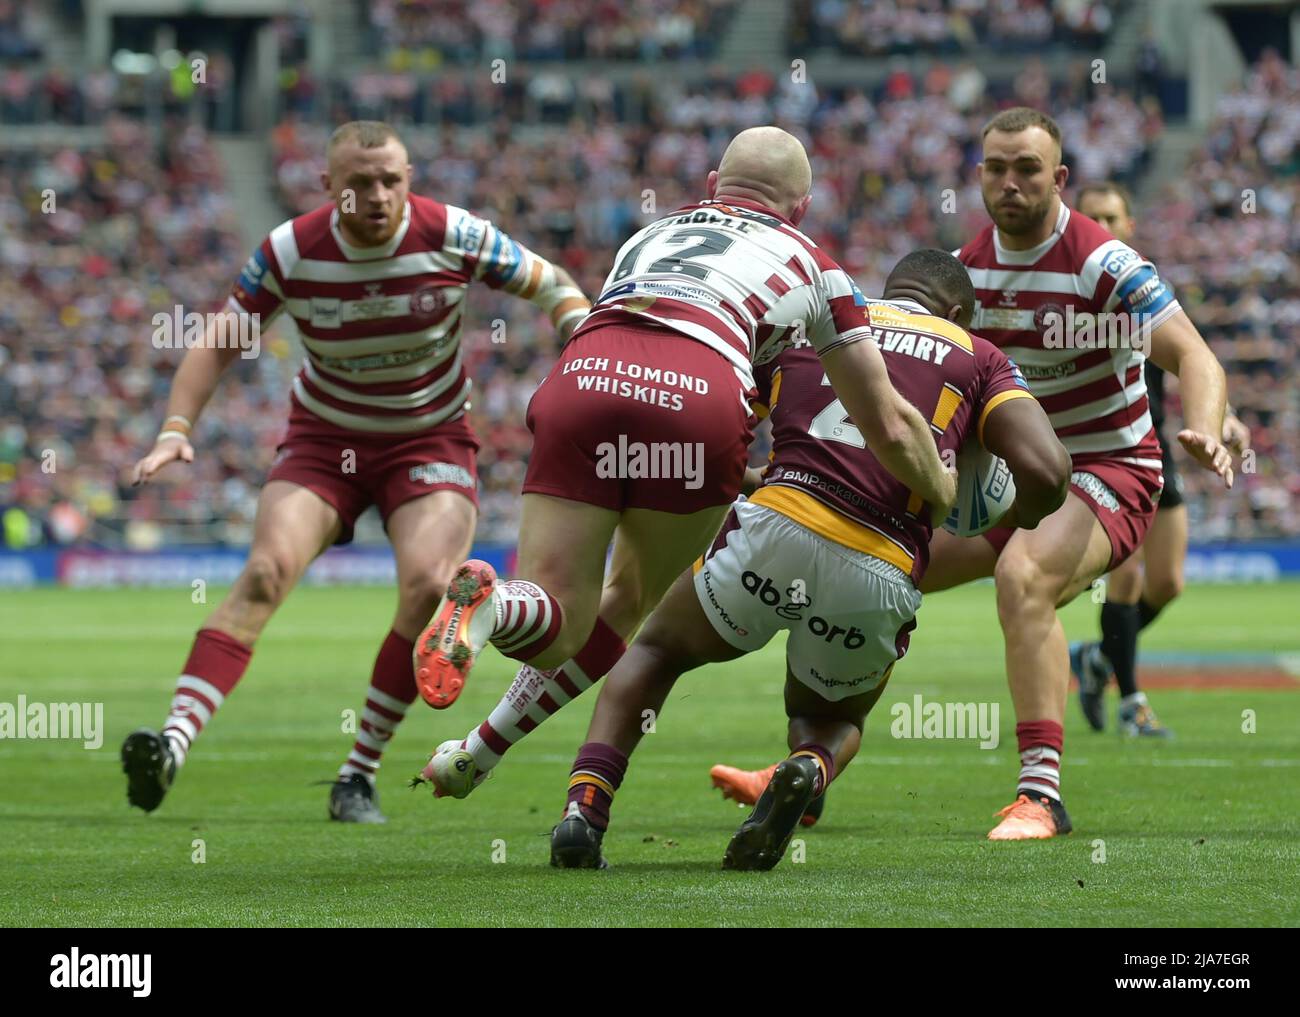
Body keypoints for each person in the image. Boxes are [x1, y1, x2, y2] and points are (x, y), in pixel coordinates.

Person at [408, 127, 956, 801]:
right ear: (804, 208)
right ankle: (484, 744)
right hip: (697, 392)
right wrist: (940, 487)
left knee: (555, 613)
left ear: (710, 188)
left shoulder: (647, 235)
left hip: (587, 371)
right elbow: (891, 425)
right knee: (624, 603)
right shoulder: (820, 267)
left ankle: (489, 629)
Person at [122, 120, 589, 822]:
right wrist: (175, 429)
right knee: (263, 573)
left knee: (431, 588)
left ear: (409, 179)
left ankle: (357, 774)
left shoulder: (452, 232)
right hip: (323, 440)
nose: (377, 195)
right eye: (359, 184)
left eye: (391, 180)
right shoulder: (290, 250)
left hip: (428, 441)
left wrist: (579, 333)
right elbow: (219, 342)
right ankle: (171, 745)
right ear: (328, 188)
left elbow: (550, 283)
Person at [548, 249, 1069, 869]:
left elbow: (715, 425)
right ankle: (805, 766)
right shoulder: (978, 357)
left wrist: (749, 477)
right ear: (956, 313)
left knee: (657, 651)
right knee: (827, 717)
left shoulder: (819, 325)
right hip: (881, 562)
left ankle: (585, 809)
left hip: (778, 523)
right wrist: (1015, 516)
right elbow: (1047, 470)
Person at [926, 108, 1234, 840]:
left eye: (1027, 169)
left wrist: (1210, 426)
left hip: (1112, 467)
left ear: (1059, 178)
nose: (1010, 182)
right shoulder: (963, 274)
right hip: (1021, 479)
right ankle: (808, 767)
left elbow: (1197, 355)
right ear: (978, 177)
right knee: (877, 564)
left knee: (1023, 578)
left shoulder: (1104, 263)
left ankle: (1042, 796)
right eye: (996, 168)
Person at [1068, 181, 1250, 737]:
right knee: (1123, 583)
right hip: (1099, 455)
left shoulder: (1143, 290)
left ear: (1130, 225)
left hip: (1153, 450)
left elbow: (1188, 359)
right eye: (1091, 215)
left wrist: (1225, 420)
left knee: (1167, 582)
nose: (1102, 222)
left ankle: (1096, 657)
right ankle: (1133, 704)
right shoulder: (1065, 291)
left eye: (1111, 215)